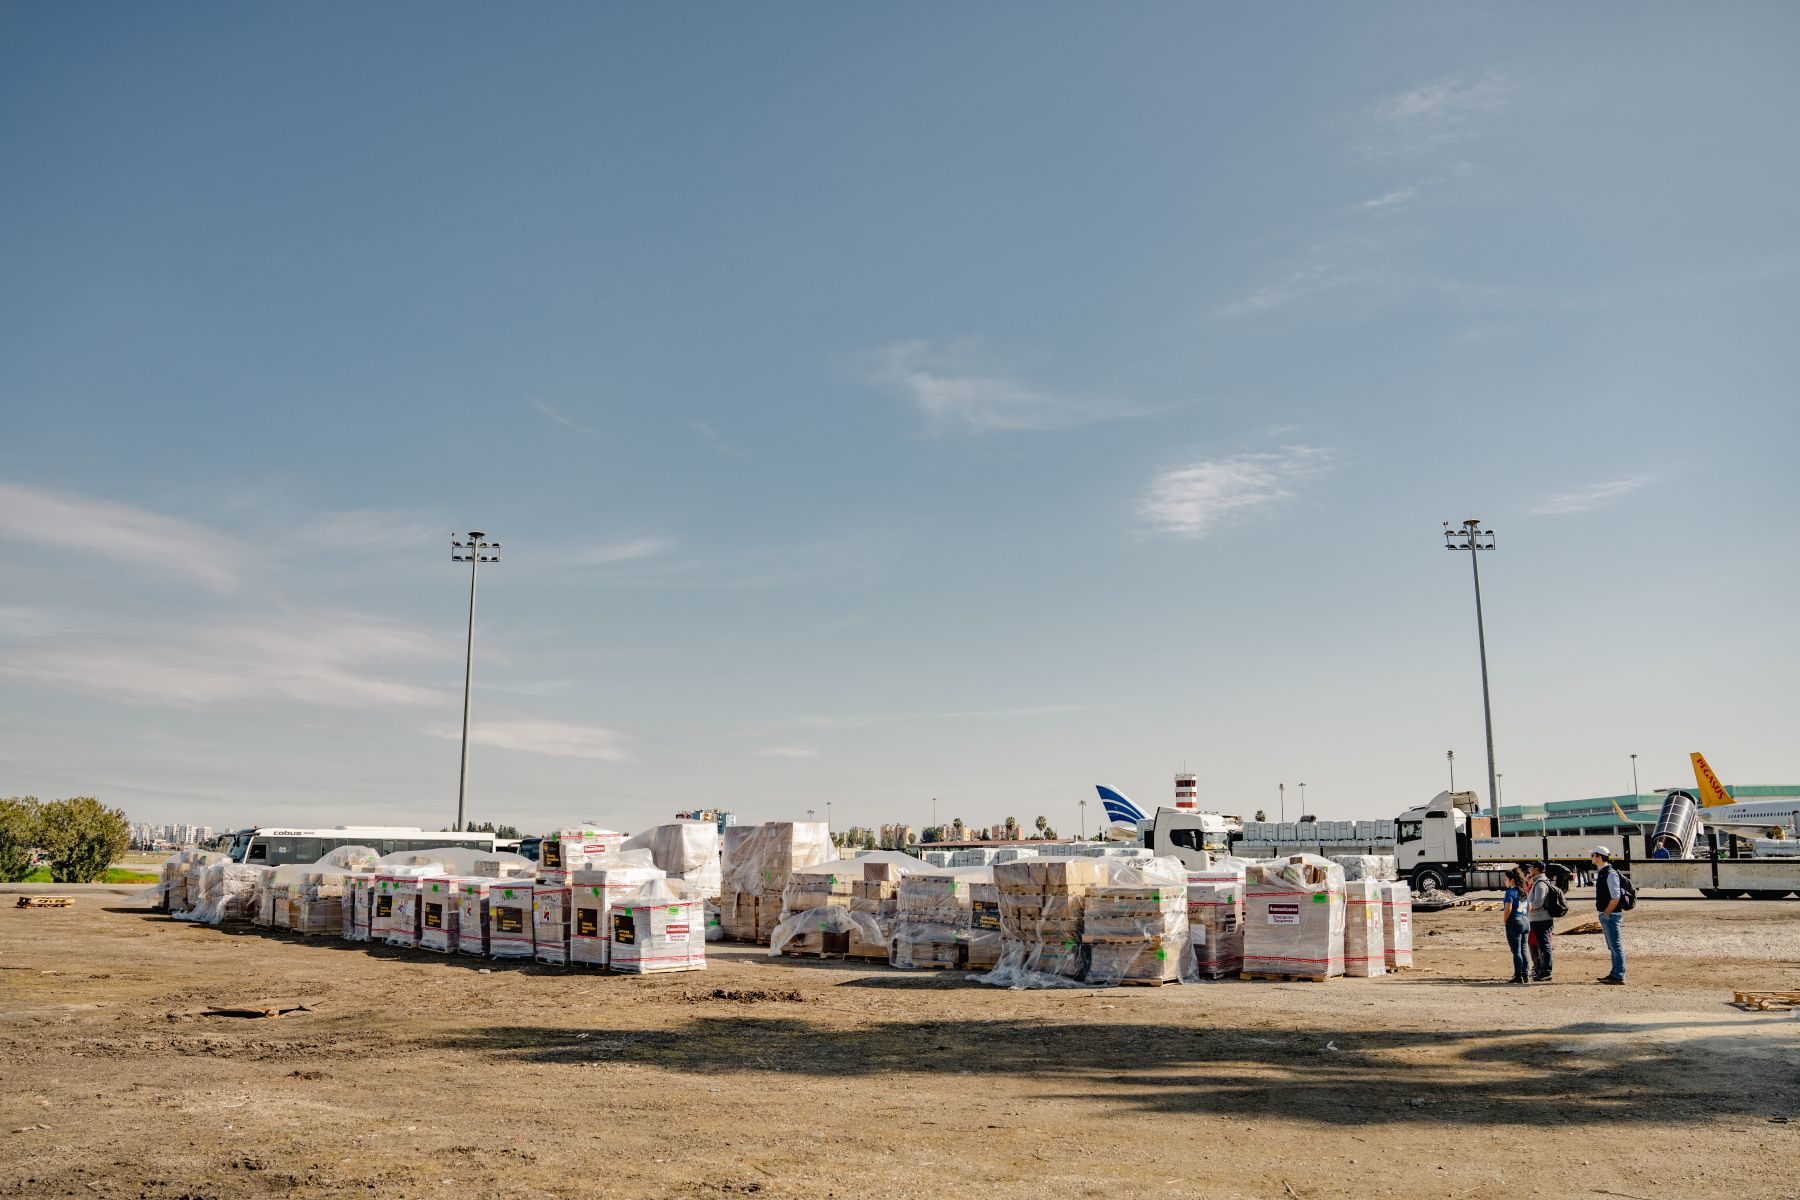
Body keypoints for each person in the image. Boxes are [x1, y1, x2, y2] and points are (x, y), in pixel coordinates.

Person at [1592, 846, 1626, 985]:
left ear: (1599, 857)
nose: (1591, 858)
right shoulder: (1603, 872)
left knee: (1615, 946)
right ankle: (1615, 973)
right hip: (1608, 914)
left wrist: (1606, 913)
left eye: (1593, 855)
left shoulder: (1609, 873)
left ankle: (1618, 975)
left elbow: (1615, 897)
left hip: (1611, 915)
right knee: (1612, 946)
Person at [1524, 861, 1555, 982]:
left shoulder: (1541, 883)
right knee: (1541, 946)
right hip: (1538, 919)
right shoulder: (1537, 882)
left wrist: (1526, 906)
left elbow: (1538, 902)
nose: (1529, 870)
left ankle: (1546, 971)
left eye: (1531, 868)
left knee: (1544, 946)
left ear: (1536, 869)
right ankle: (1542, 969)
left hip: (1541, 919)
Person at [1501, 867, 1530, 984]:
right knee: (1524, 950)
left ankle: (1518, 976)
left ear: (1512, 880)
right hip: (1525, 921)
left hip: (1514, 922)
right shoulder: (1524, 891)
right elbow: (1530, 907)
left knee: (1516, 951)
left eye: (1506, 879)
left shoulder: (1510, 892)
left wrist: (1505, 920)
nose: (1505, 881)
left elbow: (1508, 908)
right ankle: (1525, 974)